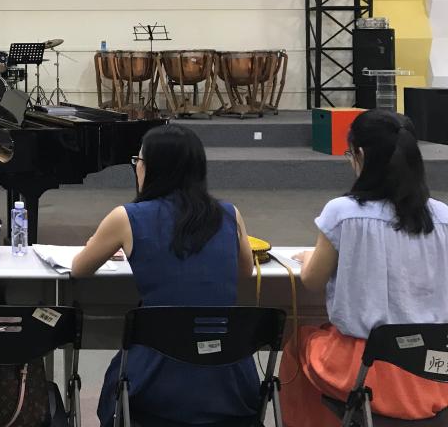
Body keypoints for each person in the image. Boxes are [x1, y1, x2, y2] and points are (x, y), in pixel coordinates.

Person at [72, 123, 259, 426]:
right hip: (228, 379)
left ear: (152, 168)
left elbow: (79, 269)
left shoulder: (126, 217)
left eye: (138, 161)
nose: (136, 168)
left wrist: (101, 242)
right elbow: (245, 270)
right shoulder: (229, 214)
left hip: (155, 382)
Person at [280, 110, 448, 425]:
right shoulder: (443, 216)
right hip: (432, 369)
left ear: (359, 154)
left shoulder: (343, 213)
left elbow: (312, 281)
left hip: (363, 368)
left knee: (299, 341)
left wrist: (309, 257)